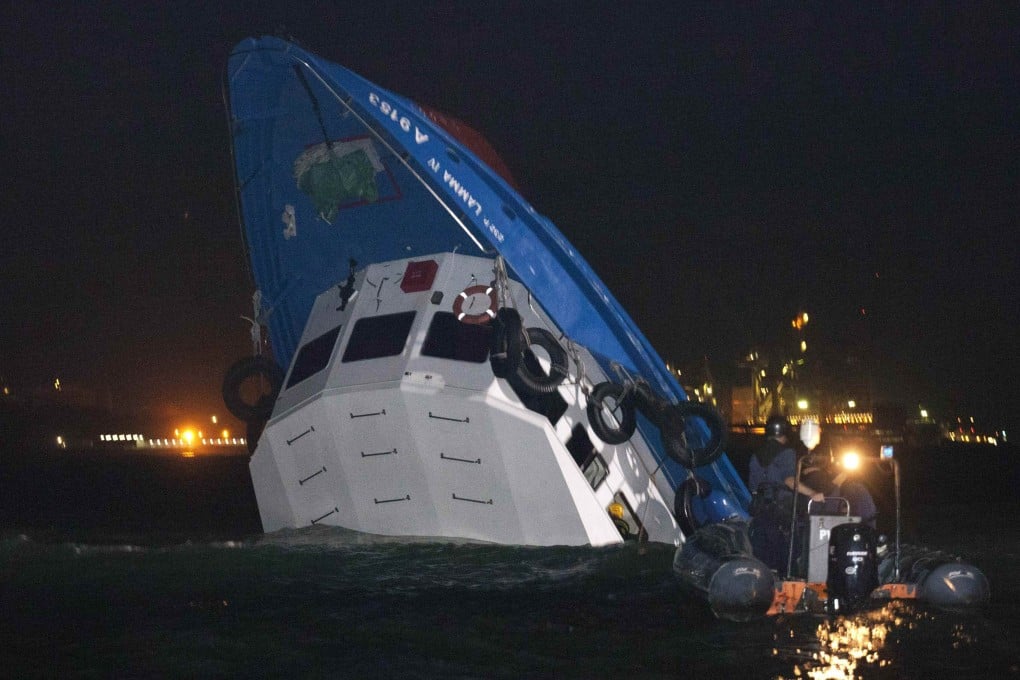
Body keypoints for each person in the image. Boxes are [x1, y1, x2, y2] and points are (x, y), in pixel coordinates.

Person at [747, 415, 826, 571]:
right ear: (786, 433)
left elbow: (753, 485)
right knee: (787, 554)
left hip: (759, 510)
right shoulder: (787, 453)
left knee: (764, 558)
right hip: (780, 512)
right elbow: (790, 480)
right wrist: (813, 493)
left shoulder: (756, 454)